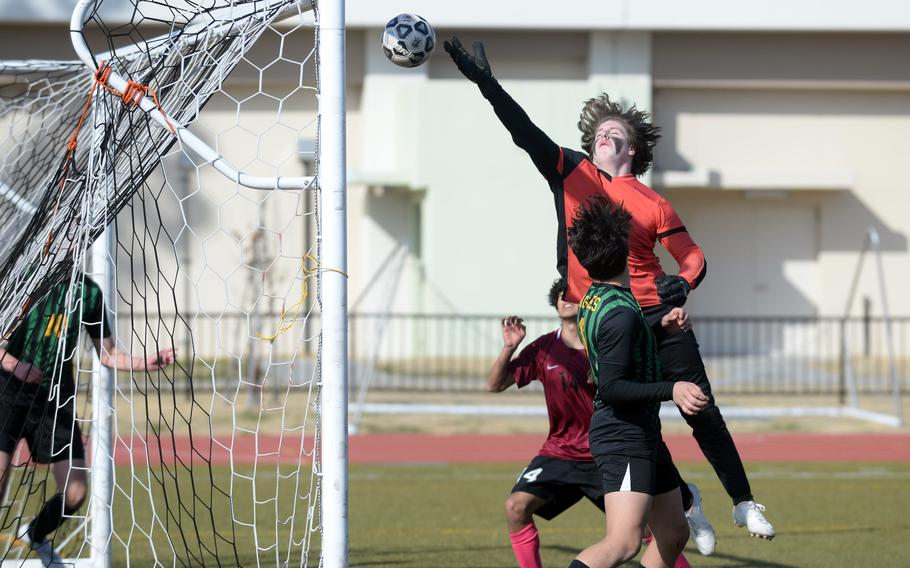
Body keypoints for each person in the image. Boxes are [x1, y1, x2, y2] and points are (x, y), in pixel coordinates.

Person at [444, 37, 774, 544]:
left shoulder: (653, 202)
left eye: (614, 130)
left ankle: (744, 502)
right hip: (608, 321)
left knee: (699, 406)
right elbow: (522, 131)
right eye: (598, 131)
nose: (604, 133)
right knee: (633, 418)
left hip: (658, 316)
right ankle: (686, 502)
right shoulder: (571, 172)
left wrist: (681, 286)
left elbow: (694, 258)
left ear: (632, 147)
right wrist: (488, 84)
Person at [489, 280, 693, 568]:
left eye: (573, 293)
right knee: (515, 507)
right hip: (560, 453)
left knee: (659, 532)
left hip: (605, 453)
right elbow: (495, 384)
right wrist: (509, 348)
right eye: (563, 295)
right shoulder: (544, 348)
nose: (568, 299)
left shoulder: (606, 340)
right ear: (556, 305)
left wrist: (661, 328)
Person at [568, 195, 707, 568]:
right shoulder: (620, 313)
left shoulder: (595, 298)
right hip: (622, 434)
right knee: (623, 543)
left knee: (675, 533)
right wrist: (672, 388)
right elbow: (612, 387)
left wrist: (656, 325)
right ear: (627, 249)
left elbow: (618, 341)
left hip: (642, 433)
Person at [0, 273, 175, 566]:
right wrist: (15, 366)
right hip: (8, 391)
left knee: (76, 491)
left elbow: (107, 353)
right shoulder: (25, 280)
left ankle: (35, 533)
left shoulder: (88, 293)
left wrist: (145, 362)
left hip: (56, 397)